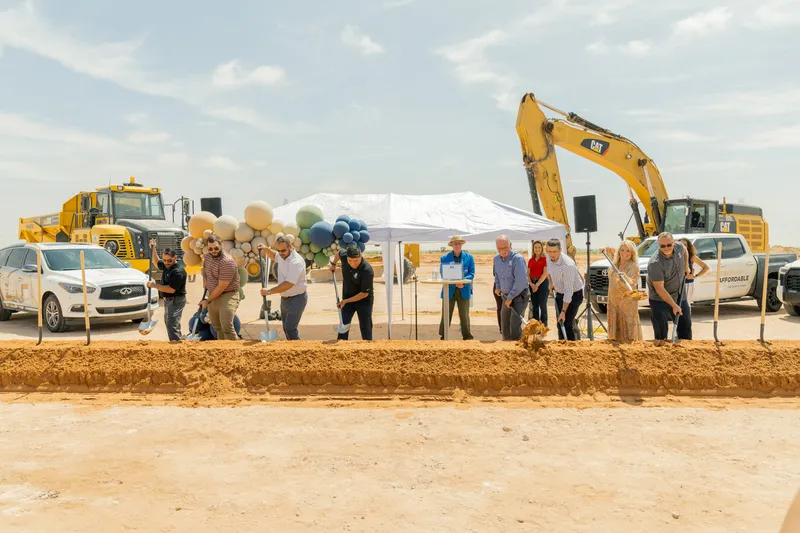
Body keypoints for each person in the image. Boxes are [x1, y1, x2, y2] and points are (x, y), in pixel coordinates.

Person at [257, 236, 308, 341]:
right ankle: (292, 350)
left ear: (290, 247)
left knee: (290, 328)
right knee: (286, 328)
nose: (281, 253)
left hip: (297, 298)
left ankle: (299, 352)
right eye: (279, 250)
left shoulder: (296, 262)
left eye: (283, 250)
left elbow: (288, 284)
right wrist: (266, 249)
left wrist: (269, 291)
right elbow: (273, 256)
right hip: (284, 299)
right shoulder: (281, 255)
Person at [647, 232, 691, 341]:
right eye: (662, 246)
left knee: (685, 327)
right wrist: (674, 305)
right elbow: (660, 289)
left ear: (674, 242)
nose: (666, 248)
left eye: (669, 245)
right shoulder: (655, 263)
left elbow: (685, 251)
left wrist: (686, 266)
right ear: (658, 245)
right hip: (659, 299)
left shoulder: (679, 247)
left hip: (679, 294)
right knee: (661, 334)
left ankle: (686, 353)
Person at [330, 245, 375, 340]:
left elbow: (364, 293)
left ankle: (367, 346)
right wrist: (333, 264)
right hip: (347, 296)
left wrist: (345, 301)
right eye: (349, 260)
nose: (352, 264)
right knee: (344, 323)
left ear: (361, 256)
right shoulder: (344, 255)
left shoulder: (367, 270)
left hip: (364, 300)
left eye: (356, 261)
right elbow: (338, 253)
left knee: (365, 325)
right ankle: (341, 346)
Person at [200, 235, 240, 341]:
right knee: (217, 327)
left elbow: (221, 287)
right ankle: (222, 352)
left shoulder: (227, 262)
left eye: (216, 248)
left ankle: (236, 353)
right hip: (213, 294)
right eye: (210, 249)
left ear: (221, 246)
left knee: (226, 327)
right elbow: (204, 270)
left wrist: (207, 300)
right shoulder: (207, 257)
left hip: (228, 295)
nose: (213, 251)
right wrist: (205, 279)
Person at [146, 240, 187, 342]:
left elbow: (171, 289)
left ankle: (176, 345)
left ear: (175, 258)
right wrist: (153, 248)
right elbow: (155, 261)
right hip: (168, 300)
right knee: (170, 322)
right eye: (164, 260)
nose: (166, 263)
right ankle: (178, 341)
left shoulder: (178, 272)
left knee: (172, 323)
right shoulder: (166, 265)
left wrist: (155, 285)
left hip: (176, 299)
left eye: (169, 260)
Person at [545, 238, 585, 341]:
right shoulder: (548, 258)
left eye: (555, 251)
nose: (552, 254)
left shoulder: (568, 265)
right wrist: (551, 283)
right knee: (560, 323)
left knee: (567, 324)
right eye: (550, 251)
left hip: (574, 295)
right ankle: (561, 346)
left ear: (560, 250)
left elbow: (569, 291)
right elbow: (549, 270)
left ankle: (571, 350)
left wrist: (563, 311)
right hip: (559, 292)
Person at [604, 240, 643, 342]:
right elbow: (609, 249)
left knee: (627, 329)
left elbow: (632, 282)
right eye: (622, 250)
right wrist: (605, 248)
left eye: (628, 251)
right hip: (614, 301)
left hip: (627, 303)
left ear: (632, 253)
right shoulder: (615, 263)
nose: (624, 253)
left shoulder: (633, 265)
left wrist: (625, 278)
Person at [438, 235, 475, 340]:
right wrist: (455, 283)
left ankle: (467, 336)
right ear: (452, 245)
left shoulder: (469, 257)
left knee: (464, 314)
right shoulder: (444, 258)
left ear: (462, 244)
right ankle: (443, 334)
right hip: (448, 290)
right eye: (455, 244)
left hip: (464, 289)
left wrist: (462, 283)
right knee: (446, 313)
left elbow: (471, 273)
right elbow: (443, 273)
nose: (457, 245)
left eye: (459, 243)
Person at [493, 235, 530, 341]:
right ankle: (506, 350)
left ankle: (516, 352)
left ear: (510, 245)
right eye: (499, 248)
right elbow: (497, 275)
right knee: (504, 325)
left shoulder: (517, 259)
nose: (502, 251)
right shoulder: (496, 259)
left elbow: (521, 282)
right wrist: (498, 287)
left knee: (514, 326)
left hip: (519, 296)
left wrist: (510, 297)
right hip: (506, 296)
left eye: (505, 247)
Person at [678, 238, 709, 305]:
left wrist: (695, 276)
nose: (683, 246)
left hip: (687, 283)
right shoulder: (675, 256)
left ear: (688, 246)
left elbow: (706, 267)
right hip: (676, 283)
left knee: (686, 304)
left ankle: (687, 315)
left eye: (685, 245)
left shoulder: (692, 257)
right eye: (681, 244)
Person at [527, 240, 549, 325]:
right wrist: (531, 284)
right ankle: (536, 326)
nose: (537, 249)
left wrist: (537, 285)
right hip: (532, 283)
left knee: (542, 305)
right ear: (533, 249)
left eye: (539, 247)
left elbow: (545, 273)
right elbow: (527, 274)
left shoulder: (545, 259)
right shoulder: (531, 260)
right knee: (535, 306)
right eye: (535, 247)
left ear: (542, 249)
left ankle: (544, 326)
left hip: (542, 283)